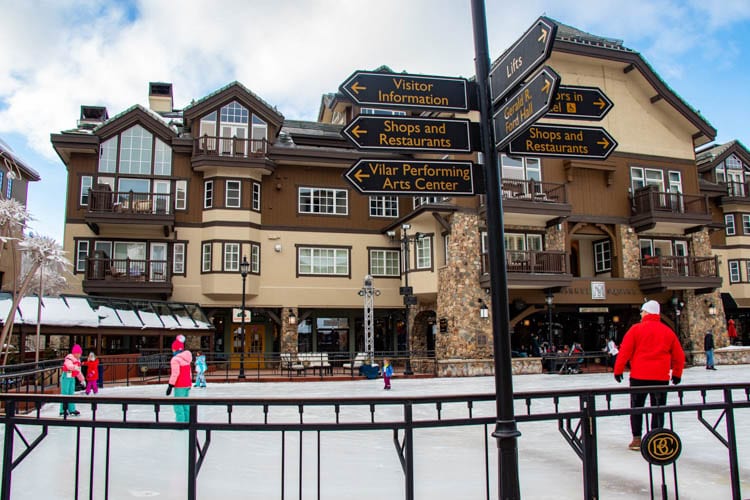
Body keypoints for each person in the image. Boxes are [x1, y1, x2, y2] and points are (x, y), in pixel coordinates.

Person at [614, 300, 685, 451]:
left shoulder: (635, 330)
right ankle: (656, 436)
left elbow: (625, 350)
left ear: (646, 312)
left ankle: (637, 439)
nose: (641, 314)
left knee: (637, 407)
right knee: (658, 407)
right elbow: (679, 355)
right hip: (660, 377)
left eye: (642, 311)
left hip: (639, 376)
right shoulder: (667, 331)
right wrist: (677, 373)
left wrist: (618, 369)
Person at [166, 335, 192, 423]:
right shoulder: (187, 359)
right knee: (185, 404)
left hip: (180, 385)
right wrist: (190, 383)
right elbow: (189, 373)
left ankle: (180, 423)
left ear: (175, 349)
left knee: (178, 404)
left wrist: (170, 385)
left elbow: (175, 373)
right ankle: (187, 421)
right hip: (187, 384)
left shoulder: (175, 359)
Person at [60, 344, 85, 416]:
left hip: (72, 377)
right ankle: (63, 410)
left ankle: (72, 409)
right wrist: (74, 367)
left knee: (71, 393)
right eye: (78, 353)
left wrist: (82, 379)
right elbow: (68, 366)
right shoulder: (69, 358)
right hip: (66, 377)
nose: (79, 355)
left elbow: (78, 372)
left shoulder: (78, 360)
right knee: (65, 393)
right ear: (75, 353)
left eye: (80, 353)